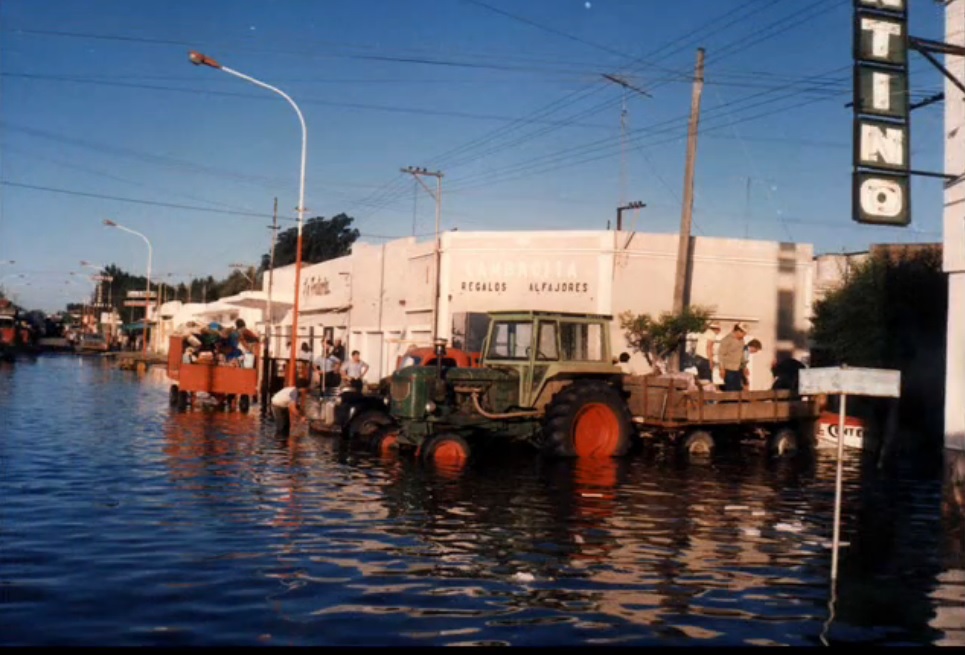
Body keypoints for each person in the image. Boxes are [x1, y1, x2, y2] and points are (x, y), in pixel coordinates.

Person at [717, 322, 748, 392]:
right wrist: (722, 369)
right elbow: (721, 354)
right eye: (743, 333)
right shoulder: (727, 339)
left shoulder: (742, 340)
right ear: (737, 331)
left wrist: (744, 366)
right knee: (730, 389)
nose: (744, 335)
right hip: (729, 369)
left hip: (738, 369)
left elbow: (741, 354)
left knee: (738, 389)